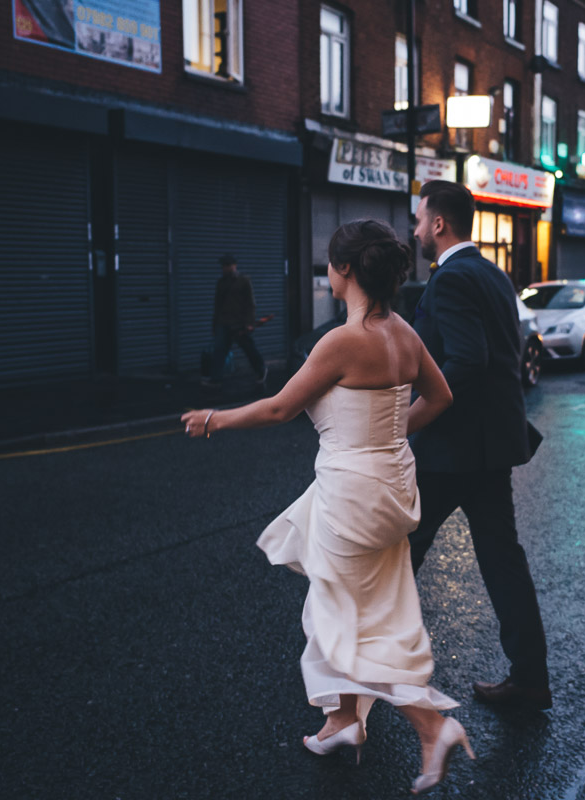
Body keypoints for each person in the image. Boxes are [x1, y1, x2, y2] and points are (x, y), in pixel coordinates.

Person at [182, 221, 473, 795]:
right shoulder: (403, 333)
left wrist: (213, 420)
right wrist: (388, 442)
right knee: (352, 606)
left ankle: (431, 727)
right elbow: (440, 397)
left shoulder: (342, 342)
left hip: (352, 495)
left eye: (330, 266)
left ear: (344, 271)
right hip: (390, 486)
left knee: (343, 621)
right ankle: (342, 721)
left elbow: (278, 410)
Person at [408, 180, 552, 710]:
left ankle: (368, 670)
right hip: (491, 447)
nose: (416, 230)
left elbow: (466, 360)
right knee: (501, 559)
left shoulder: (450, 279)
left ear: (439, 224)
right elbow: (500, 357)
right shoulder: (493, 274)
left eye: (420, 220)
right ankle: (531, 679)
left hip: (451, 450)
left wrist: (410, 420)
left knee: (398, 555)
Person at [204, 253, 268, 388]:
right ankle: (215, 379)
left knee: (249, 349)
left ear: (234, 266)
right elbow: (217, 305)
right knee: (219, 351)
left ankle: (261, 370)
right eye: (223, 266)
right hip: (224, 323)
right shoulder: (221, 283)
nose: (225, 268)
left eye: (227, 265)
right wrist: (214, 325)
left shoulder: (244, 281)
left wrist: (249, 323)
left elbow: (250, 303)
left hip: (240, 323)